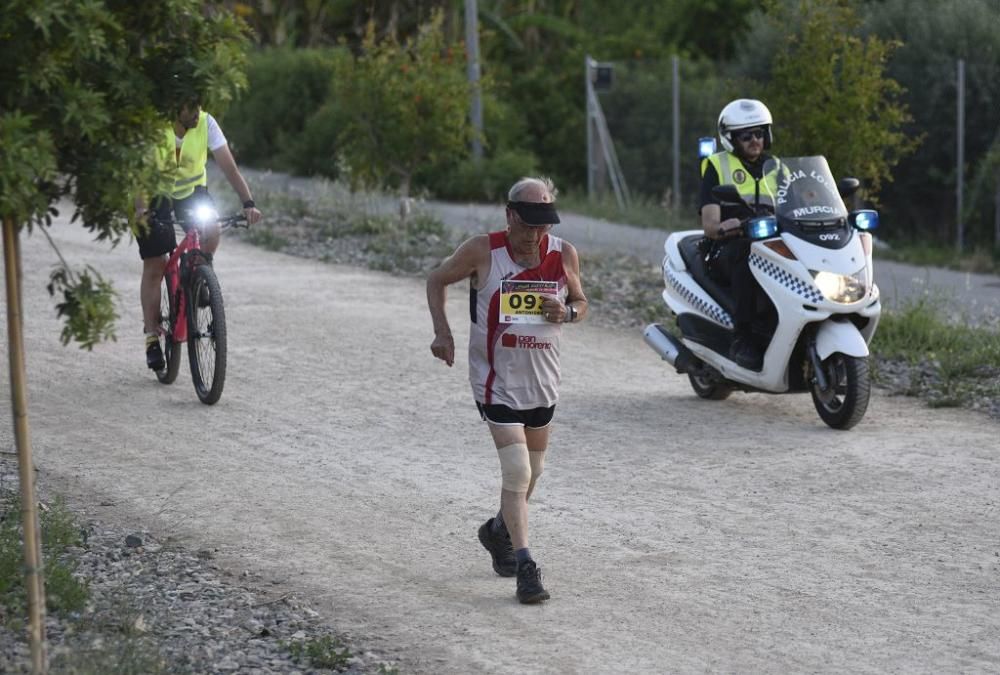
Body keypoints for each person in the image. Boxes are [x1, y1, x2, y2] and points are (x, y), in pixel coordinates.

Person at [426, 177, 588, 604]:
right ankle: (526, 566)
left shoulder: (563, 253)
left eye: (545, 225)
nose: (538, 235)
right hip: (496, 381)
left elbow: (582, 302)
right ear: (510, 215)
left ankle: (497, 531)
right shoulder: (483, 251)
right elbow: (437, 280)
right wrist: (442, 333)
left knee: (535, 473)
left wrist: (567, 312)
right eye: (530, 224)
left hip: (543, 380)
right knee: (517, 472)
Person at [135, 97, 263, 371]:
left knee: (212, 227)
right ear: (176, 108)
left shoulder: (207, 122)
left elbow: (229, 166)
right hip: (155, 194)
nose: (197, 114)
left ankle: (202, 273)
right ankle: (151, 339)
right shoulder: (156, 128)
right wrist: (141, 209)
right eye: (191, 108)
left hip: (190, 193)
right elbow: (141, 174)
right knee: (156, 263)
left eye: (199, 107)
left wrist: (248, 202)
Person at [699, 98, 779, 371]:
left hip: (774, 242)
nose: (755, 140)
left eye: (759, 133)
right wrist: (723, 226)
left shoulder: (779, 167)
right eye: (746, 135)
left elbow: (802, 199)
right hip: (728, 246)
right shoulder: (717, 165)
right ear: (732, 139)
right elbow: (709, 223)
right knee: (746, 257)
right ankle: (742, 338)